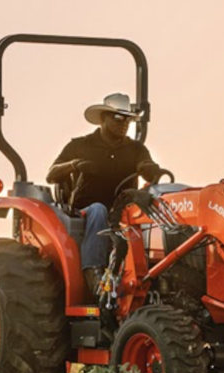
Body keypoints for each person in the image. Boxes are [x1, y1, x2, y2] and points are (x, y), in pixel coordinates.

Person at [47, 93, 163, 293]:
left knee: (154, 209)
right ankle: (93, 272)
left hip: (124, 208)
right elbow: (51, 174)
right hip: (87, 209)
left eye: (128, 119)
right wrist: (74, 165)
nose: (124, 123)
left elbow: (149, 166)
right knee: (99, 210)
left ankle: (155, 273)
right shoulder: (80, 145)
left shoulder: (136, 149)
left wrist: (149, 168)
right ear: (103, 119)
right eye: (118, 118)